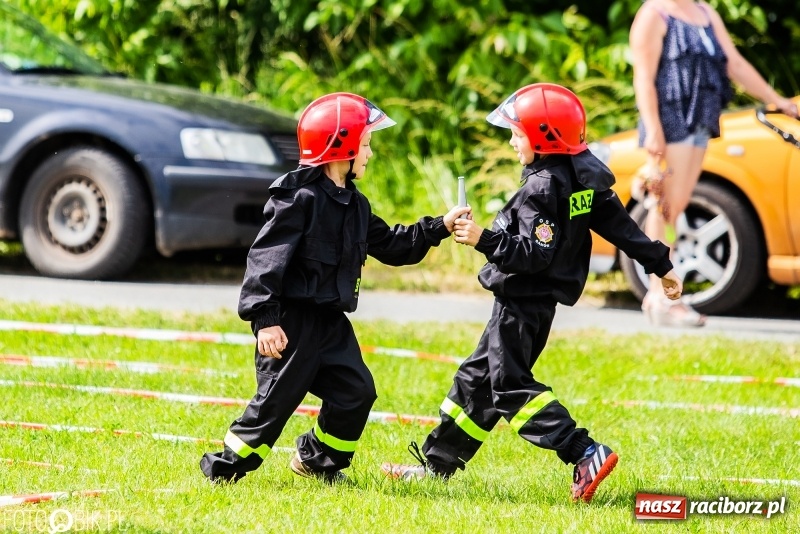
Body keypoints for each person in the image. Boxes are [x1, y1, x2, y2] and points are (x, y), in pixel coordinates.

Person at [380, 83, 684, 503]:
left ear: (544, 137)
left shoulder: (542, 188)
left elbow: (532, 255)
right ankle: (436, 468)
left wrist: (482, 238)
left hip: (522, 302)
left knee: (508, 386)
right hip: (531, 303)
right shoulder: (582, 177)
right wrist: (661, 264)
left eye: (517, 133)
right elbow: (620, 226)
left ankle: (584, 451)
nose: (511, 140)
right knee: (475, 381)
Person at [200, 92, 471, 484]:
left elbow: (395, 245)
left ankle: (317, 461)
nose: (370, 155)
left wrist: (440, 226)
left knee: (356, 392)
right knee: (274, 405)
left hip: (330, 324)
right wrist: (266, 320)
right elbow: (264, 261)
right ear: (342, 146)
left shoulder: (355, 206)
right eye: (366, 146)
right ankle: (223, 471)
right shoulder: (298, 200)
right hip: (291, 325)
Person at [629, 0, 799, 326]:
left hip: (702, 119)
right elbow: (643, 78)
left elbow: (734, 64)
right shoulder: (654, 14)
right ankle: (661, 295)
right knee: (664, 206)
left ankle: (662, 294)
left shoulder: (705, 12)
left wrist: (776, 101)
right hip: (671, 120)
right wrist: (653, 130)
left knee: (675, 207)